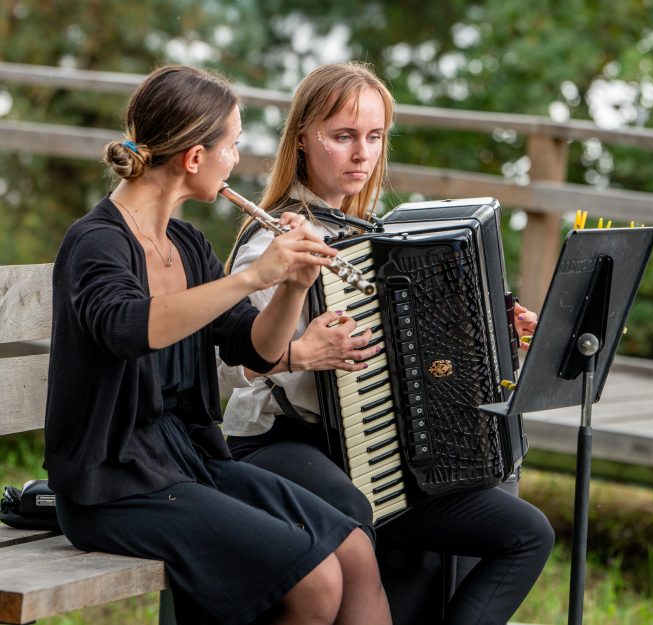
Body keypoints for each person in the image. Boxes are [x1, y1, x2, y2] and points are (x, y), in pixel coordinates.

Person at [43, 64, 392, 625]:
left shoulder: (185, 240)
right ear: (194, 158)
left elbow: (254, 349)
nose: (237, 160)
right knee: (316, 580)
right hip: (113, 485)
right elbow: (129, 328)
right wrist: (253, 277)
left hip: (188, 461)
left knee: (352, 548)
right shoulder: (96, 242)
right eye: (231, 145)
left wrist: (292, 286)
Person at [218, 62, 554, 625]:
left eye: (374, 137)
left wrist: (494, 345)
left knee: (526, 531)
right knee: (358, 512)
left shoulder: (372, 234)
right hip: (284, 440)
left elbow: (417, 361)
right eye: (343, 136)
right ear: (302, 137)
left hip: (374, 449)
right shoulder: (275, 238)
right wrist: (302, 353)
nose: (362, 154)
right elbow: (229, 368)